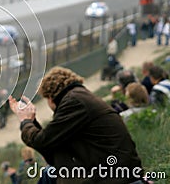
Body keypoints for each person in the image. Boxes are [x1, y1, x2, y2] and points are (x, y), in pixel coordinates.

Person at [9, 66, 144, 184]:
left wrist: (25, 121)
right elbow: (53, 148)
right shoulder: (81, 97)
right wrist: (31, 122)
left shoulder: (74, 102)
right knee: (50, 173)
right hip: (116, 174)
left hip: (112, 178)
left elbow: (42, 141)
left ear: (50, 97)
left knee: (49, 174)